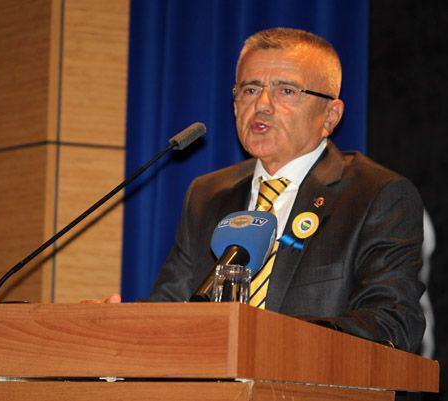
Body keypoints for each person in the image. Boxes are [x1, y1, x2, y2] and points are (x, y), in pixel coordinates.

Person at [147, 28, 425, 353]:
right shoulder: (207, 194)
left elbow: (392, 321)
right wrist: (126, 323)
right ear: (235, 105)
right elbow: (170, 305)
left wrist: (269, 338)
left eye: (286, 91)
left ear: (330, 116)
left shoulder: (376, 195)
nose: (262, 105)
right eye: (250, 89)